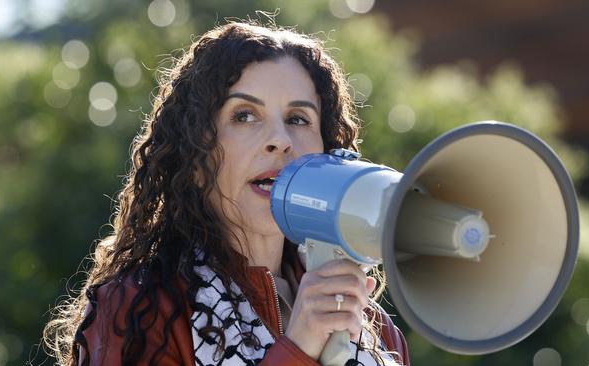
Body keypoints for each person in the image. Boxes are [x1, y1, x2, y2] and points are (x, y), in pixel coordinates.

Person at [43, 21, 410, 366]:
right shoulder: (143, 309)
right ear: (197, 155)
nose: (280, 141)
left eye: (298, 119)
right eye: (244, 116)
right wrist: (297, 349)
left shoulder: (371, 327)